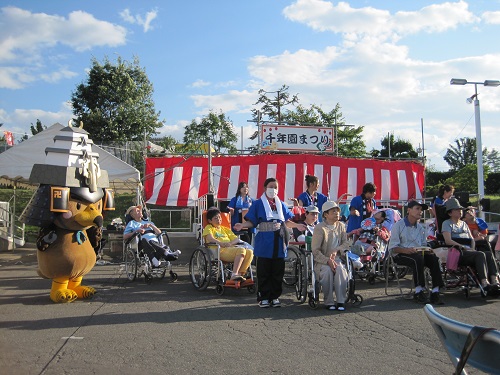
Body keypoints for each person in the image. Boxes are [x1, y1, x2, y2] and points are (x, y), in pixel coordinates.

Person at [234, 177, 306, 308]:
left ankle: (275, 296)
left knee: (278, 270)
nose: (274, 190)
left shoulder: (281, 204)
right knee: (264, 270)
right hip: (264, 240)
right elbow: (253, 221)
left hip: (279, 240)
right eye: (271, 186)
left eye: (276, 187)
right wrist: (242, 225)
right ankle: (264, 297)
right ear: (265, 188)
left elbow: (286, 221)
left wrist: (297, 226)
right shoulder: (257, 204)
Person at [388, 200, 445, 304]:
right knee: (417, 259)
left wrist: (428, 249)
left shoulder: (420, 227)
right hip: (400, 254)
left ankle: (436, 291)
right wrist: (405, 250)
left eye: (421, 210)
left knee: (434, 259)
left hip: (418, 253)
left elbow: (423, 244)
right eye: (417, 209)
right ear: (409, 210)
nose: (420, 212)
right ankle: (419, 290)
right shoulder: (398, 225)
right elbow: (393, 248)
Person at [441, 198, 500, 293]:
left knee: (488, 254)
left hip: (469, 251)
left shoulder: (464, 224)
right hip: (457, 252)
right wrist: (462, 246)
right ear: (450, 213)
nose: (460, 211)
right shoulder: (446, 223)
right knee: (480, 254)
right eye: (456, 210)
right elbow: (448, 241)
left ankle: (495, 280)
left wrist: (472, 248)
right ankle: (484, 282)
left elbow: (471, 239)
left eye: (460, 209)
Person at [311, 200, 350, 311]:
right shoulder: (319, 228)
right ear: (326, 214)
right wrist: (327, 260)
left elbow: (345, 243)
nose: (337, 213)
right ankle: (328, 301)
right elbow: (315, 250)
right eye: (333, 211)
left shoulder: (341, 226)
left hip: (337, 258)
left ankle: (341, 301)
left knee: (341, 271)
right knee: (327, 271)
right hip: (322, 260)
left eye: (337, 211)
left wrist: (337, 250)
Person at [203, 207, 254, 282]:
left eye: (219, 217)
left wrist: (230, 243)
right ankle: (234, 274)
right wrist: (220, 243)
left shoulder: (225, 229)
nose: (219, 219)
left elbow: (236, 239)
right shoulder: (209, 228)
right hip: (218, 251)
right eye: (216, 218)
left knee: (249, 252)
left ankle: (240, 274)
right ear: (210, 221)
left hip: (230, 249)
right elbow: (210, 238)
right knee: (241, 250)